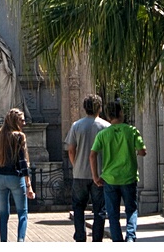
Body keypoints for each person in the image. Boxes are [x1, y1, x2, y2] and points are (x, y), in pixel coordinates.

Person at [90, 101, 147, 243]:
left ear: (108, 116)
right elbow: (142, 151)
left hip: (109, 179)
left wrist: (95, 176)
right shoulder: (132, 131)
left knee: (113, 214)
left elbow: (92, 154)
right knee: (131, 210)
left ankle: (117, 241)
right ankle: (130, 237)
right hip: (129, 177)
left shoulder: (103, 134)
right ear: (121, 113)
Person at [65, 94, 110, 242]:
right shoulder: (106, 127)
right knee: (99, 209)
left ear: (85, 108)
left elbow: (71, 149)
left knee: (78, 207)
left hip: (80, 173)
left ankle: (80, 236)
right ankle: (97, 239)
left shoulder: (76, 125)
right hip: (100, 174)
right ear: (99, 108)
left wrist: (76, 164)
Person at [0, 108, 35, 242]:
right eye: (22, 120)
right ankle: (20, 241)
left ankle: (3, 242)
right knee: (22, 212)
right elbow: (23, 162)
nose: (24, 123)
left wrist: (1, 161)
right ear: (15, 121)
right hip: (15, 177)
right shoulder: (19, 136)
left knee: (3, 214)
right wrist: (28, 184)